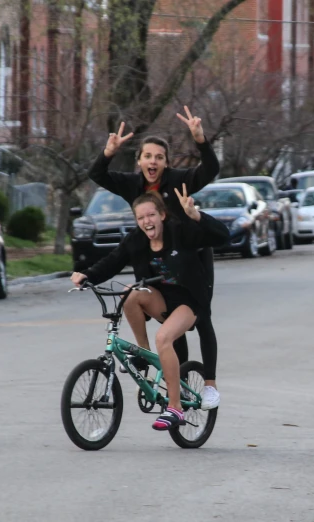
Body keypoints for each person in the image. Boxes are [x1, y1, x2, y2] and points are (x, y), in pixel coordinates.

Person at [87, 106, 223, 410]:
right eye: (148, 156)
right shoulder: (132, 184)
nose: (153, 161)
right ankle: (152, 358)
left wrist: (200, 140)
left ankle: (210, 385)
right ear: (139, 161)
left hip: (191, 253)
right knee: (164, 318)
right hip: (155, 256)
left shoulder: (179, 180)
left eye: (159, 157)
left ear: (166, 163)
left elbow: (210, 170)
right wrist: (108, 152)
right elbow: (96, 174)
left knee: (201, 316)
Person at [70, 188, 229, 430]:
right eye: (141, 218)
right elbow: (113, 261)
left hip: (189, 301)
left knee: (163, 337)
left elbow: (221, 236)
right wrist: (87, 275)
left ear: (162, 215)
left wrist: (196, 216)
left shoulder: (181, 232)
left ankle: (175, 407)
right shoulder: (136, 240)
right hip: (162, 299)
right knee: (131, 294)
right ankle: (143, 354)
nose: (147, 221)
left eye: (151, 215)